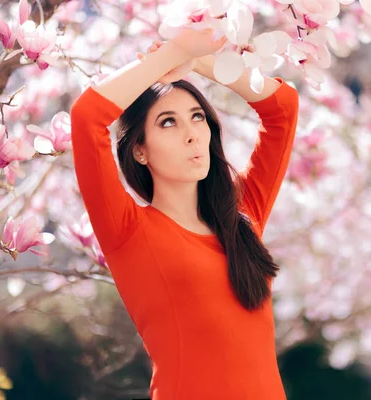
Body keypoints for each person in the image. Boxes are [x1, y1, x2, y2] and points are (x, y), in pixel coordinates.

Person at [69, 28, 299, 400]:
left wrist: (201, 62)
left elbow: (283, 109)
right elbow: (87, 117)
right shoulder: (128, 229)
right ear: (140, 151)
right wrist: (168, 54)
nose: (193, 134)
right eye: (169, 122)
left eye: (197, 117)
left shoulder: (241, 217)